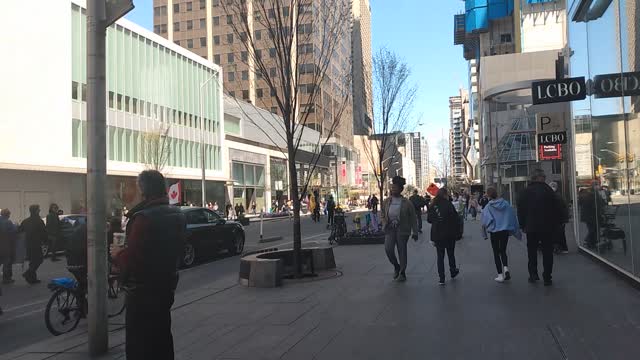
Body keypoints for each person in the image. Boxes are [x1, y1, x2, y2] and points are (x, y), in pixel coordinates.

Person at [110, 170, 186, 360]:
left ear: (144, 191)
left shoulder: (143, 219)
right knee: (162, 339)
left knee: (139, 346)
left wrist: (118, 255)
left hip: (142, 293)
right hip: (166, 288)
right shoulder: (177, 214)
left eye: (136, 189)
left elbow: (134, 258)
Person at [517, 169, 562, 286]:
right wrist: (557, 224)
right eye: (544, 176)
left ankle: (533, 274)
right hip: (548, 227)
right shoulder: (549, 191)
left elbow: (520, 210)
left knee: (531, 251)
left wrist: (522, 225)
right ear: (540, 178)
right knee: (548, 252)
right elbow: (557, 209)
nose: (545, 178)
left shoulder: (525, 192)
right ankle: (547, 277)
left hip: (531, 227)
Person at [381, 176, 419, 282]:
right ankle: (396, 266)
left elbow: (413, 218)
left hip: (403, 229)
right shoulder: (386, 201)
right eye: (392, 188)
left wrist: (415, 232)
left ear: (400, 189)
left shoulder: (407, 203)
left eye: (395, 188)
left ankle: (402, 272)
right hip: (390, 229)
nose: (393, 190)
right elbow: (383, 214)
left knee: (402, 250)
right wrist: (384, 223)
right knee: (388, 249)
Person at [481, 187, 521, 283]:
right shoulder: (506, 204)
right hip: (504, 231)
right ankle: (506, 268)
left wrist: (484, 233)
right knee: (503, 250)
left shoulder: (488, 207)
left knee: (496, 253)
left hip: (494, 232)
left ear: (489, 195)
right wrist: (515, 230)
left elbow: (485, 221)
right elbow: (512, 217)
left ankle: (500, 275)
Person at [427, 188, 461, 285]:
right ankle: (453, 271)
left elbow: (429, 220)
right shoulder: (449, 204)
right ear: (445, 195)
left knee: (440, 256)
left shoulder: (433, 205)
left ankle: (441, 278)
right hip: (449, 233)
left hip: (437, 234)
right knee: (451, 254)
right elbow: (455, 218)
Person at [19, 205, 47, 284]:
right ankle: (28, 273)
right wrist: (46, 240)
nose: (40, 210)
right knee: (39, 259)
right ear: (36, 211)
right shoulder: (39, 221)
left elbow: (19, 230)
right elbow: (43, 232)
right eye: (39, 209)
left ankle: (32, 279)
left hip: (28, 244)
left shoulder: (25, 221)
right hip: (36, 244)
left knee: (32, 261)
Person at [549, 182, 570, 254]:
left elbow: (560, 209)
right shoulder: (558, 196)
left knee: (558, 234)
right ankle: (562, 248)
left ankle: (560, 248)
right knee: (560, 234)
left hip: (558, 219)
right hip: (560, 219)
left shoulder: (556, 196)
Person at [0, 209, 17, 284]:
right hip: (6, 245)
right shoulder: (8, 222)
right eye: (9, 214)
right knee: (7, 262)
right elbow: (14, 230)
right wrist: (16, 225)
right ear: (7, 214)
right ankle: (6, 279)